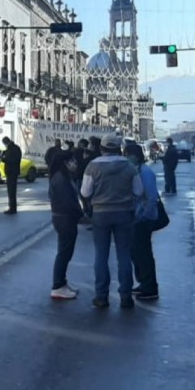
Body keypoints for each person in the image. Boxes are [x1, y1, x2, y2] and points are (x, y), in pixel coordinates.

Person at [80, 132, 143, 309]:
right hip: (124, 213)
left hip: (100, 214)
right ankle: (125, 297)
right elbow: (138, 191)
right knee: (123, 255)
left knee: (101, 254)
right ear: (119, 149)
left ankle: (101, 297)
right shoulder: (129, 166)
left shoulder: (92, 166)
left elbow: (85, 193)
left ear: (101, 148)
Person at [124, 142, 160, 301]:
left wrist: (144, 216)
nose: (126, 158)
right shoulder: (136, 171)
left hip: (143, 219)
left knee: (143, 253)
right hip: (136, 218)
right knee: (136, 253)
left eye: (128, 155)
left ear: (136, 156)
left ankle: (150, 287)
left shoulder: (145, 172)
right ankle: (143, 283)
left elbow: (152, 198)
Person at [47, 151, 83, 300]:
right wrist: (81, 216)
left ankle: (62, 283)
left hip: (65, 219)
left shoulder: (63, 177)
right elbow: (68, 202)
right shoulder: (60, 180)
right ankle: (57, 286)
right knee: (64, 253)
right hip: (64, 219)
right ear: (65, 163)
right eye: (72, 160)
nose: (75, 163)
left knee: (66, 252)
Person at [1, 136, 22, 214]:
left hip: (11, 172)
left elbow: (11, 160)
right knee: (11, 191)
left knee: (11, 191)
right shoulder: (15, 148)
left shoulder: (12, 149)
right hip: (13, 171)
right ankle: (12, 207)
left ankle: (12, 208)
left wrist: (4, 159)